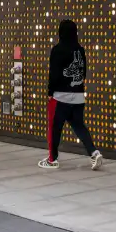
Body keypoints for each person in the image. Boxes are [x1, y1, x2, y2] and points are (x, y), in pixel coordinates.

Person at [38, 19, 104, 170]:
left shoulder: (57, 49)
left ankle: (52, 159)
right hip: (78, 95)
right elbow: (84, 72)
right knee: (79, 126)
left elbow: (53, 74)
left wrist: (50, 92)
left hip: (60, 96)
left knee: (54, 129)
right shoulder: (80, 49)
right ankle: (94, 153)